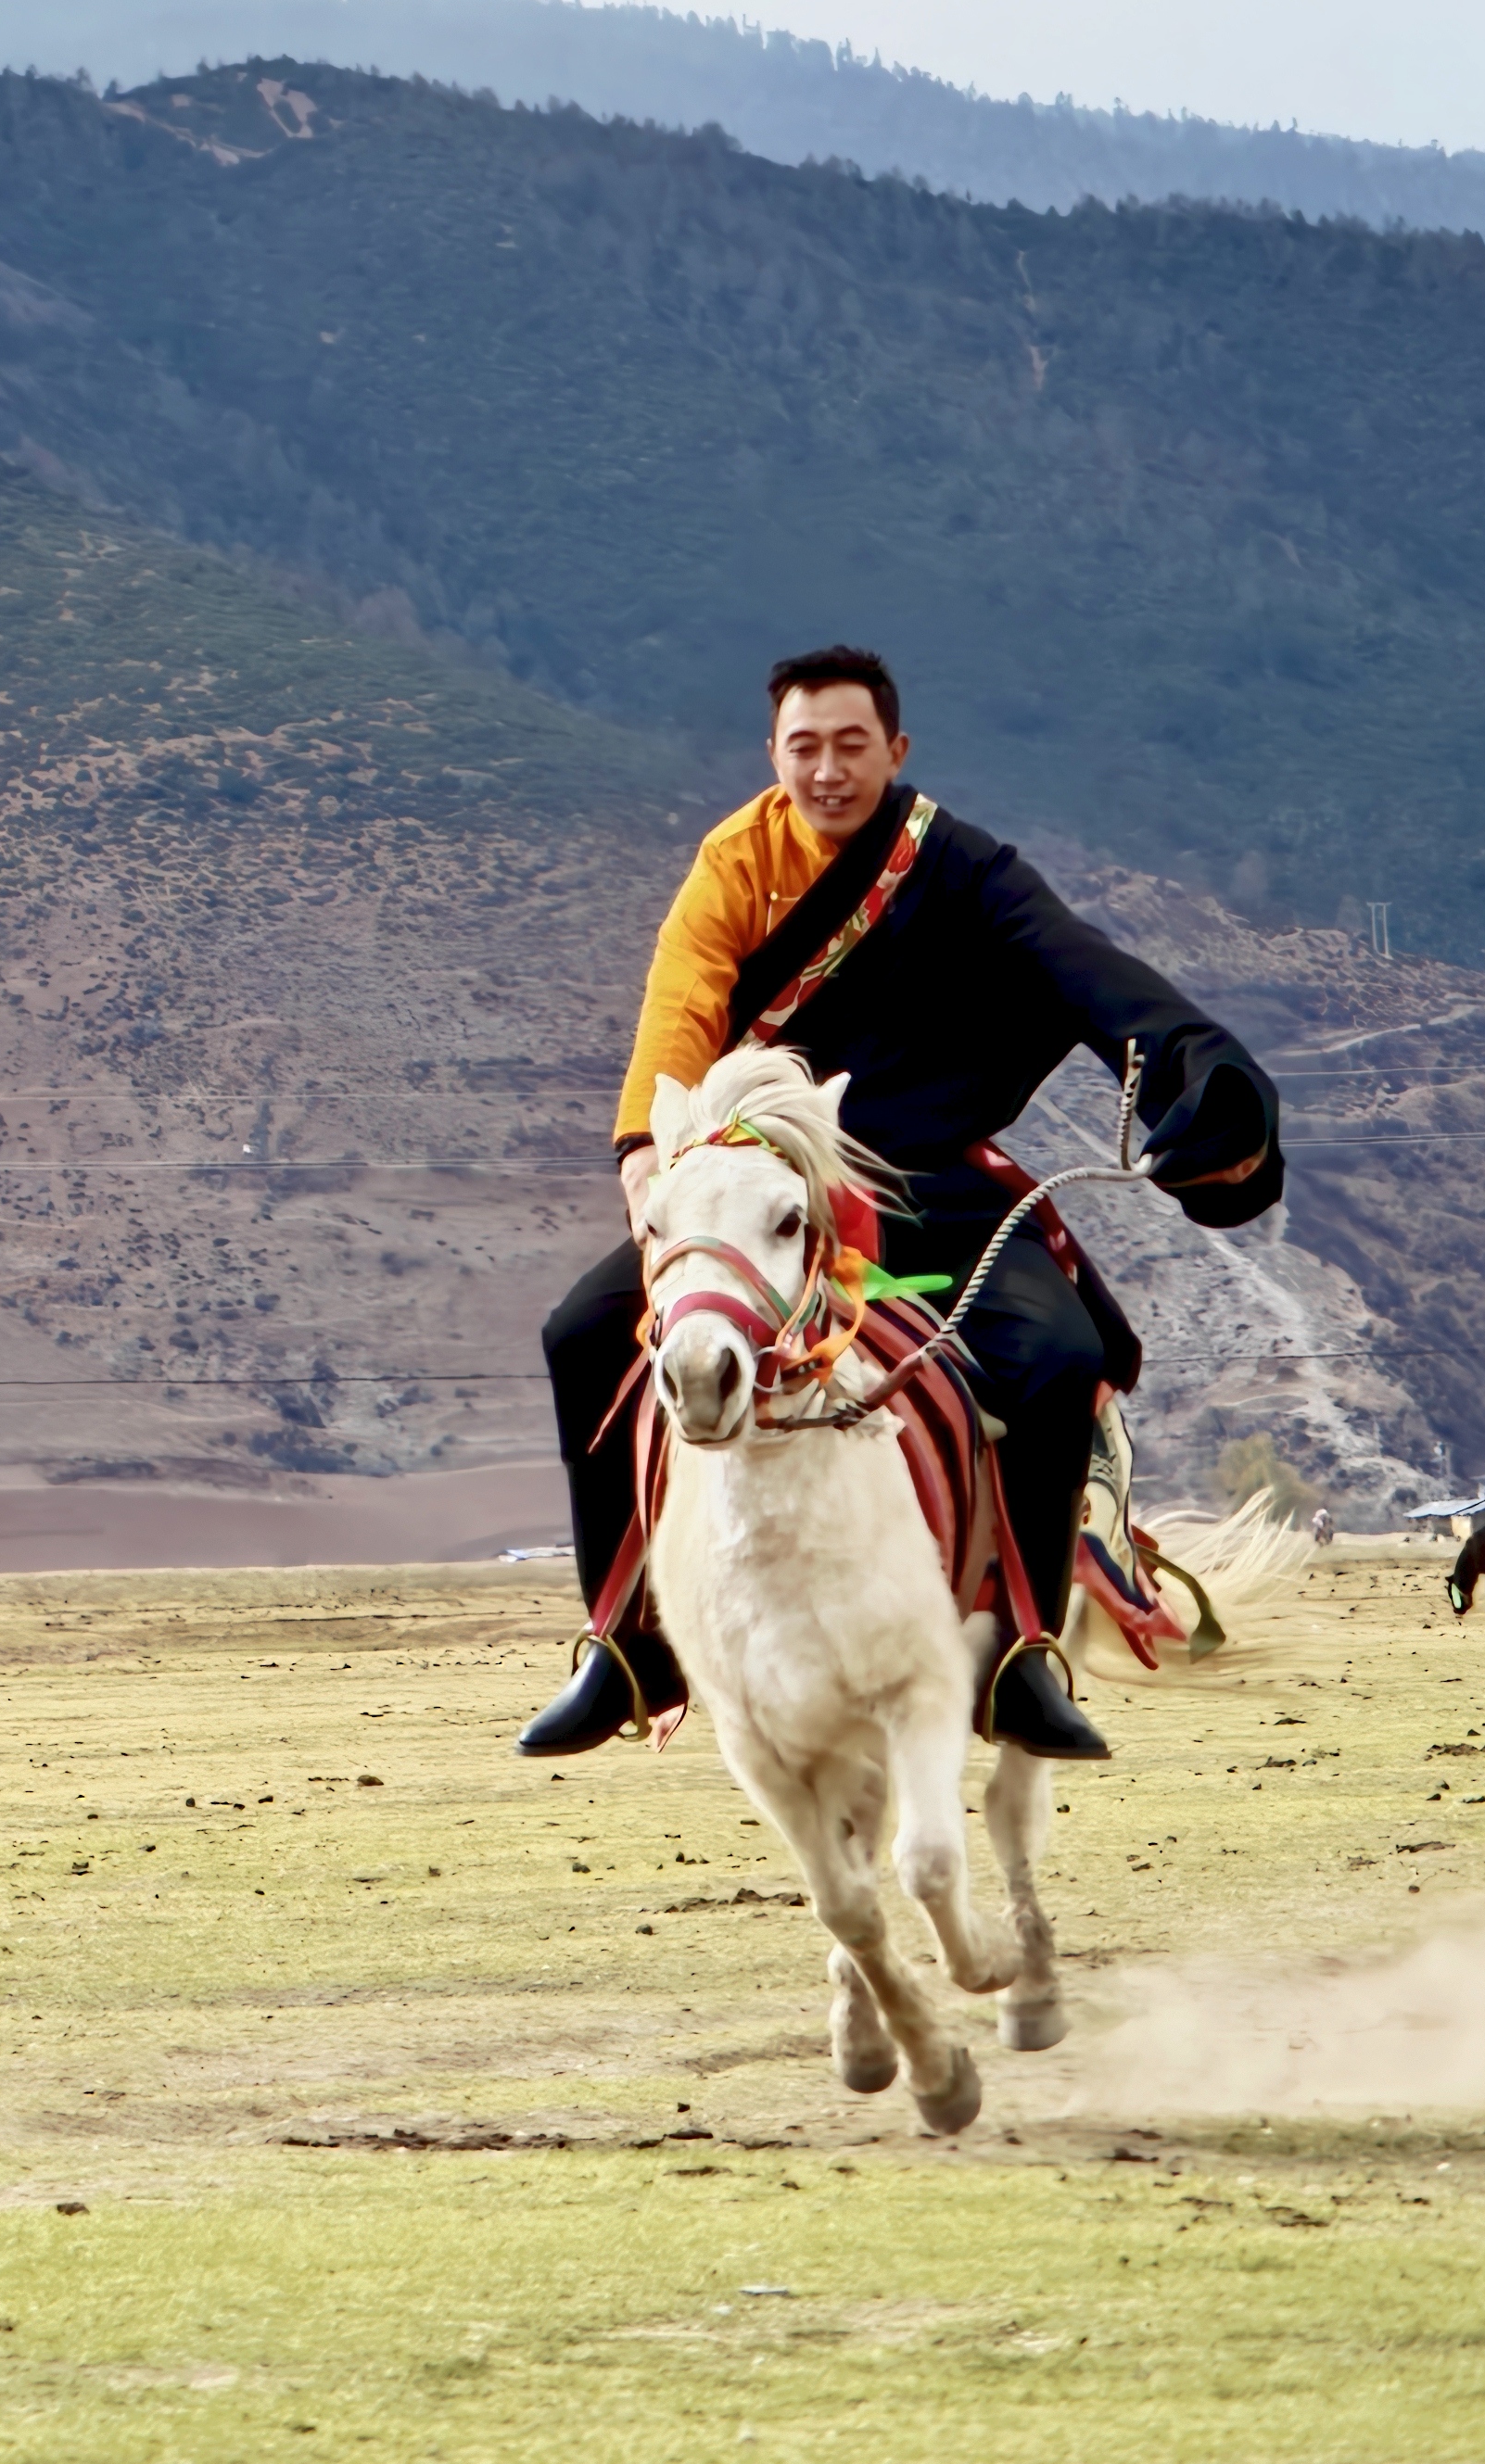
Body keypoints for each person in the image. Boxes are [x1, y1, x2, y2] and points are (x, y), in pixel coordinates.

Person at [515, 644, 1285, 1760]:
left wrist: (1200, 1063)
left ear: (896, 750)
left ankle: (1020, 1654)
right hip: (773, 1188)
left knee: (1059, 1357)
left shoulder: (965, 870)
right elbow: (679, 1004)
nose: (826, 770)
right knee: (583, 1332)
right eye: (803, 748)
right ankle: (627, 1645)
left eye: (850, 745)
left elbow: (1087, 972)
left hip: (934, 1183)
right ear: (773, 755)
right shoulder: (733, 862)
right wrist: (648, 1153)